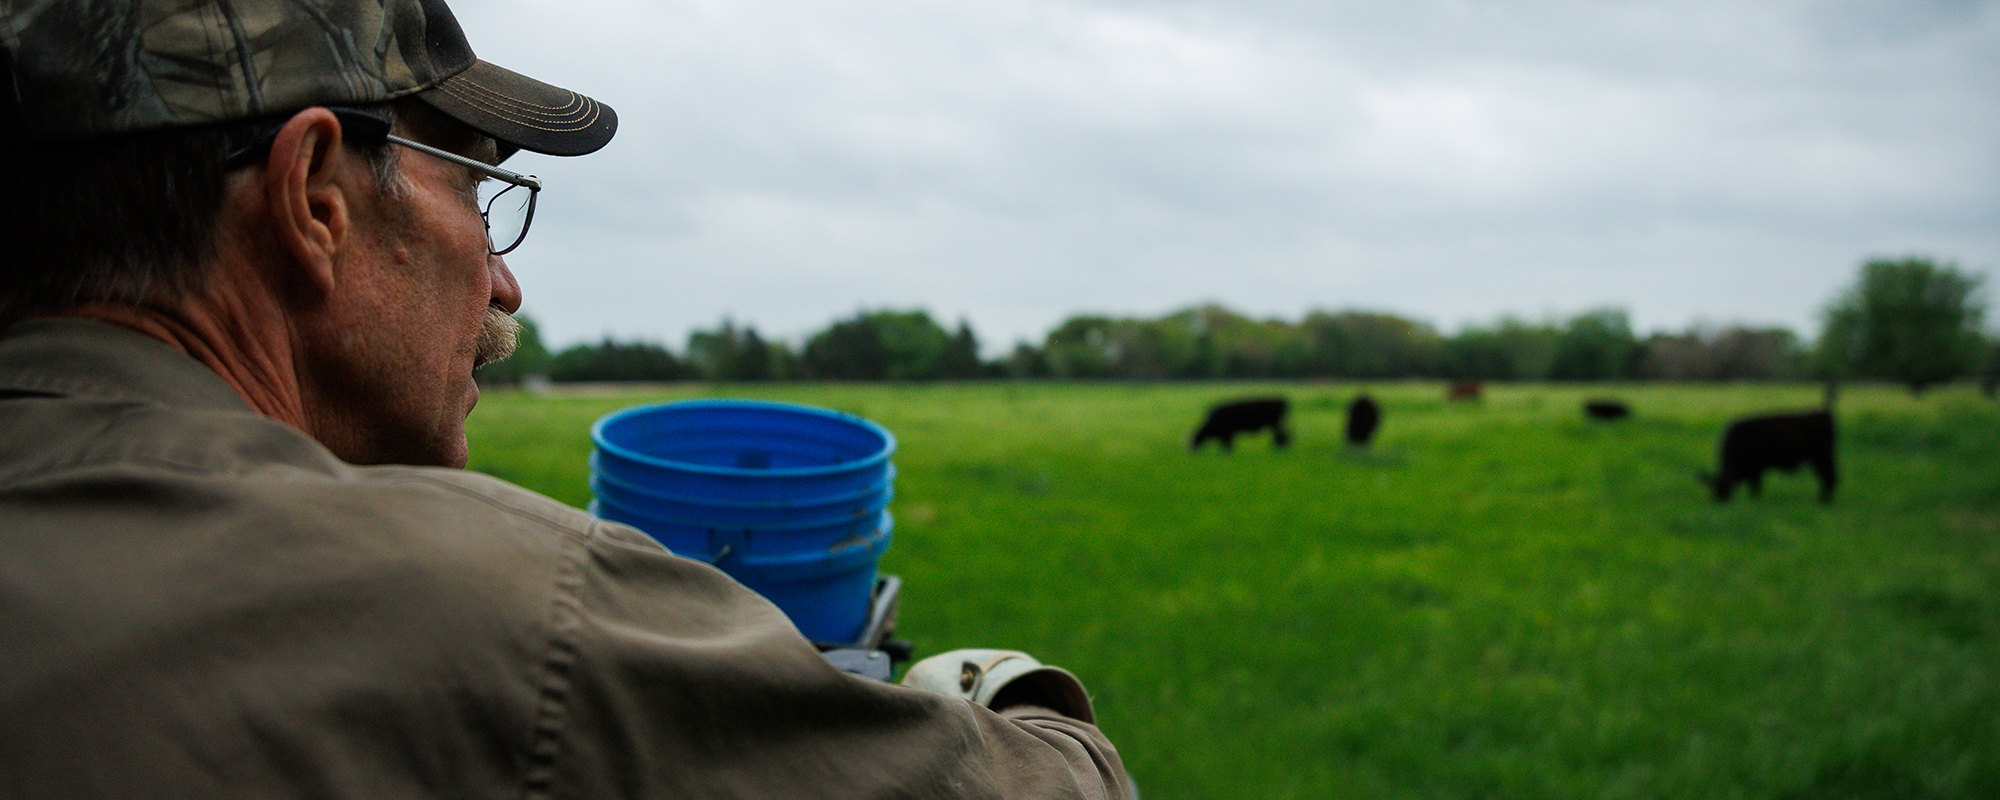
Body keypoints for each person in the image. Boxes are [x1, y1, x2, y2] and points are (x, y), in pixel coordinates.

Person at [0, 1, 1129, 797]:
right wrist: (1007, 695)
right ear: (312, 200)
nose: (503, 281)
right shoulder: (493, 602)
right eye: (478, 193)